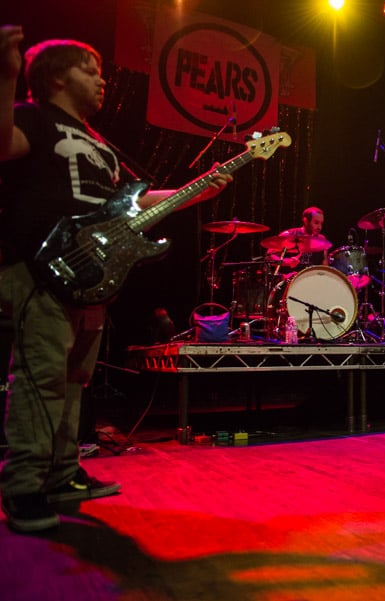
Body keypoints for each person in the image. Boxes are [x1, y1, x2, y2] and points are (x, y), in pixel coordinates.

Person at [0, 27, 232, 533]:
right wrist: (7, 73)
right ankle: (22, 487)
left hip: (91, 273)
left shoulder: (101, 144)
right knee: (40, 378)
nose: (102, 81)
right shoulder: (33, 118)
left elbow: (131, 204)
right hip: (42, 266)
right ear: (58, 76)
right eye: (91, 70)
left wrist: (196, 192)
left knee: (73, 380)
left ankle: (61, 476)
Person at [266, 206, 329, 273]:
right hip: (291, 279)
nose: (319, 227)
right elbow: (269, 258)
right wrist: (286, 262)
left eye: (321, 223)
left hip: (311, 278)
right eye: (316, 223)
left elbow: (324, 263)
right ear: (306, 221)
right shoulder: (288, 235)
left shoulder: (321, 239)